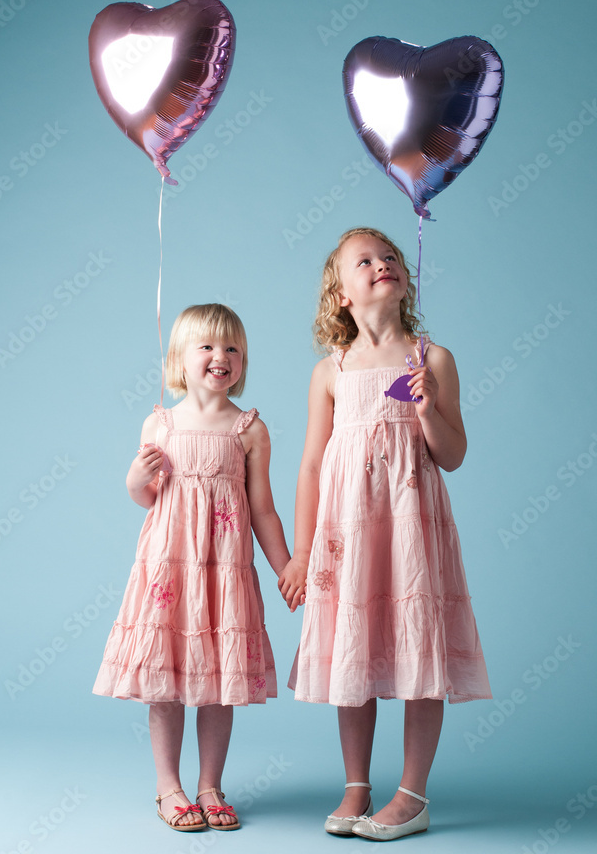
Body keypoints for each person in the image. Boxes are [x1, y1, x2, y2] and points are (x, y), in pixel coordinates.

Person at [279, 228, 491, 841]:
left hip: (410, 534)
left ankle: (412, 793)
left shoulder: (433, 360)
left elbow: (452, 455)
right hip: (348, 533)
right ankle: (356, 784)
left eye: (390, 256)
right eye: (364, 261)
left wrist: (427, 411)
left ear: (405, 278)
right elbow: (313, 464)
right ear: (341, 295)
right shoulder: (331, 371)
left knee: (418, 645)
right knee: (355, 643)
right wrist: (301, 551)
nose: (383, 264)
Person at [94, 304, 290, 833]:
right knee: (166, 679)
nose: (220, 357)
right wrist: (137, 476)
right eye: (207, 346)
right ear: (180, 357)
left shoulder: (249, 429)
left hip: (223, 570)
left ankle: (210, 784)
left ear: (243, 361)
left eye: (232, 348)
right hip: (170, 572)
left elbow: (263, 509)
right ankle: (168, 786)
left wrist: (285, 568)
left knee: (217, 682)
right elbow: (146, 498)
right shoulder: (161, 421)